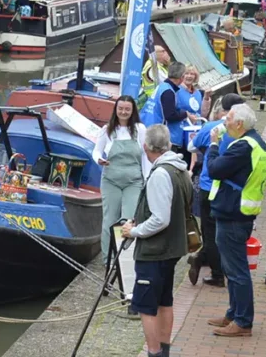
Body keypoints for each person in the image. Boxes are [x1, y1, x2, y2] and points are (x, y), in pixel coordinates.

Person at [122, 124, 192, 357]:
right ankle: (164, 351)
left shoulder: (161, 173)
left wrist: (134, 231)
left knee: (146, 306)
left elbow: (160, 219)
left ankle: (154, 352)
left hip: (155, 251)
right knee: (164, 301)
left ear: (146, 147)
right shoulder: (181, 169)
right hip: (172, 249)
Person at [205, 103, 266, 337]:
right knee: (232, 268)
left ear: (239, 124)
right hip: (241, 212)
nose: (224, 121)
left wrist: (213, 144)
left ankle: (242, 321)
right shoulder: (259, 144)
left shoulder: (243, 147)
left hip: (233, 214)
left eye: (229, 118)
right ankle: (234, 314)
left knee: (236, 271)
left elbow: (214, 169)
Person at [187, 93, 244, 287]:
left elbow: (190, 147)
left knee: (209, 232)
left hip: (209, 186)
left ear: (222, 109)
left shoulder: (211, 128)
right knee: (225, 230)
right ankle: (208, 260)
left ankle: (217, 273)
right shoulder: (243, 129)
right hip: (231, 188)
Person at [92, 95, 148, 260]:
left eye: (127, 109)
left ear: (132, 111)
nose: (123, 112)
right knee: (110, 220)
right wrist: (99, 160)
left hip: (134, 181)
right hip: (111, 181)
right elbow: (96, 151)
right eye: (120, 108)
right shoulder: (107, 129)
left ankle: (126, 259)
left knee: (129, 220)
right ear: (116, 110)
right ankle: (107, 259)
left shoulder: (140, 129)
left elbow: (145, 156)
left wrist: (146, 178)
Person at [141, 62, 190, 153]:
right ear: (182, 77)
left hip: (150, 130)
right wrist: (185, 114)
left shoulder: (162, 86)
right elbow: (170, 116)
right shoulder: (168, 92)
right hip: (160, 138)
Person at [140, 46, 170, 110]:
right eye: (163, 51)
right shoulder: (153, 66)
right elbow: (169, 83)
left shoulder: (159, 65)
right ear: (155, 53)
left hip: (156, 100)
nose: (166, 53)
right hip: (154, 101)